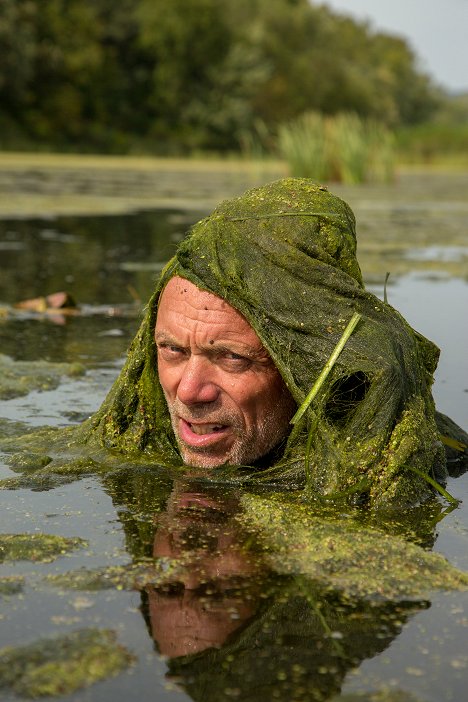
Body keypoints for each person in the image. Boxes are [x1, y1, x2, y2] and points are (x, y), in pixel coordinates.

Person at [83, 178, 467, 508]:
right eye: (173, 350)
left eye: (232, 357)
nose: (188, 391)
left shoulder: (388, 478)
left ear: (308, 368)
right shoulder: (118, 448)